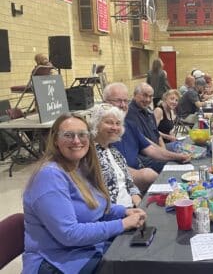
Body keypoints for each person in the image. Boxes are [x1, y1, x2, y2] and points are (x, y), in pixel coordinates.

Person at [23, 113, 147, 273]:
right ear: (55, 140)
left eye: (82, 134)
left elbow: (98, 207)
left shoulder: (80, 167)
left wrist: (124, 211)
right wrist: (122, 224)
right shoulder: (49, 175)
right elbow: (69, 234)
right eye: (68, 135)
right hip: (57, 263)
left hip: (85, 249)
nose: (76, 141)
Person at [104, 82, 191, 192]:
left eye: (125, 101)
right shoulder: (102, 132)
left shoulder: (129, 125)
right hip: (126, 180)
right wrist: (144, 176)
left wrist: (178, 156)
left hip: (137, 173)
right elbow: (113, 168)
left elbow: (151, 149)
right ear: (105, 103)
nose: (123, 105)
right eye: (118, 101)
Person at [90, 103, 142, 207]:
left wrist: (140, 205)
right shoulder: (89, 154)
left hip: (131, 208)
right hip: (114, 214)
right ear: (96, 124)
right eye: (109, 122)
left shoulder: (114, 151)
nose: (114, 127)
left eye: (118, 123)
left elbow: (130, 184)